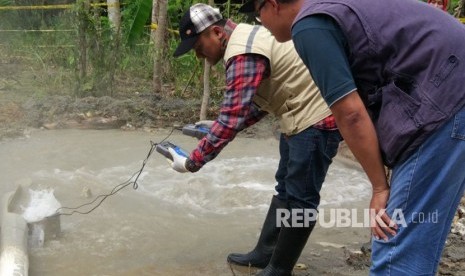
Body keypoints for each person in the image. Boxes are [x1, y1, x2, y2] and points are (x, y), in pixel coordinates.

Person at [237, 0, 465, 275]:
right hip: (447, 89)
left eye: (258, 13)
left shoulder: (309, 24)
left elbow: (351, 114)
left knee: (394, 243)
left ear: (272, 4)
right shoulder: (332, 7)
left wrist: (379, 188)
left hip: (445, 95)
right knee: (415, 239)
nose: (260, 22)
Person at [169, 3, 342, 275]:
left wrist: (192, 161)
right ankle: (265, 253)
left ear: (216, 32)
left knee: (301, 199)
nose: (198, 55)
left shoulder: (241, 53)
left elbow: (232, 118)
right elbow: (255, 107)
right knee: (285, 187)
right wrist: (219, 125)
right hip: (298, 114)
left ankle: (279, 268)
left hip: (316, 118)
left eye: (198, 46)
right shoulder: (247, 38)